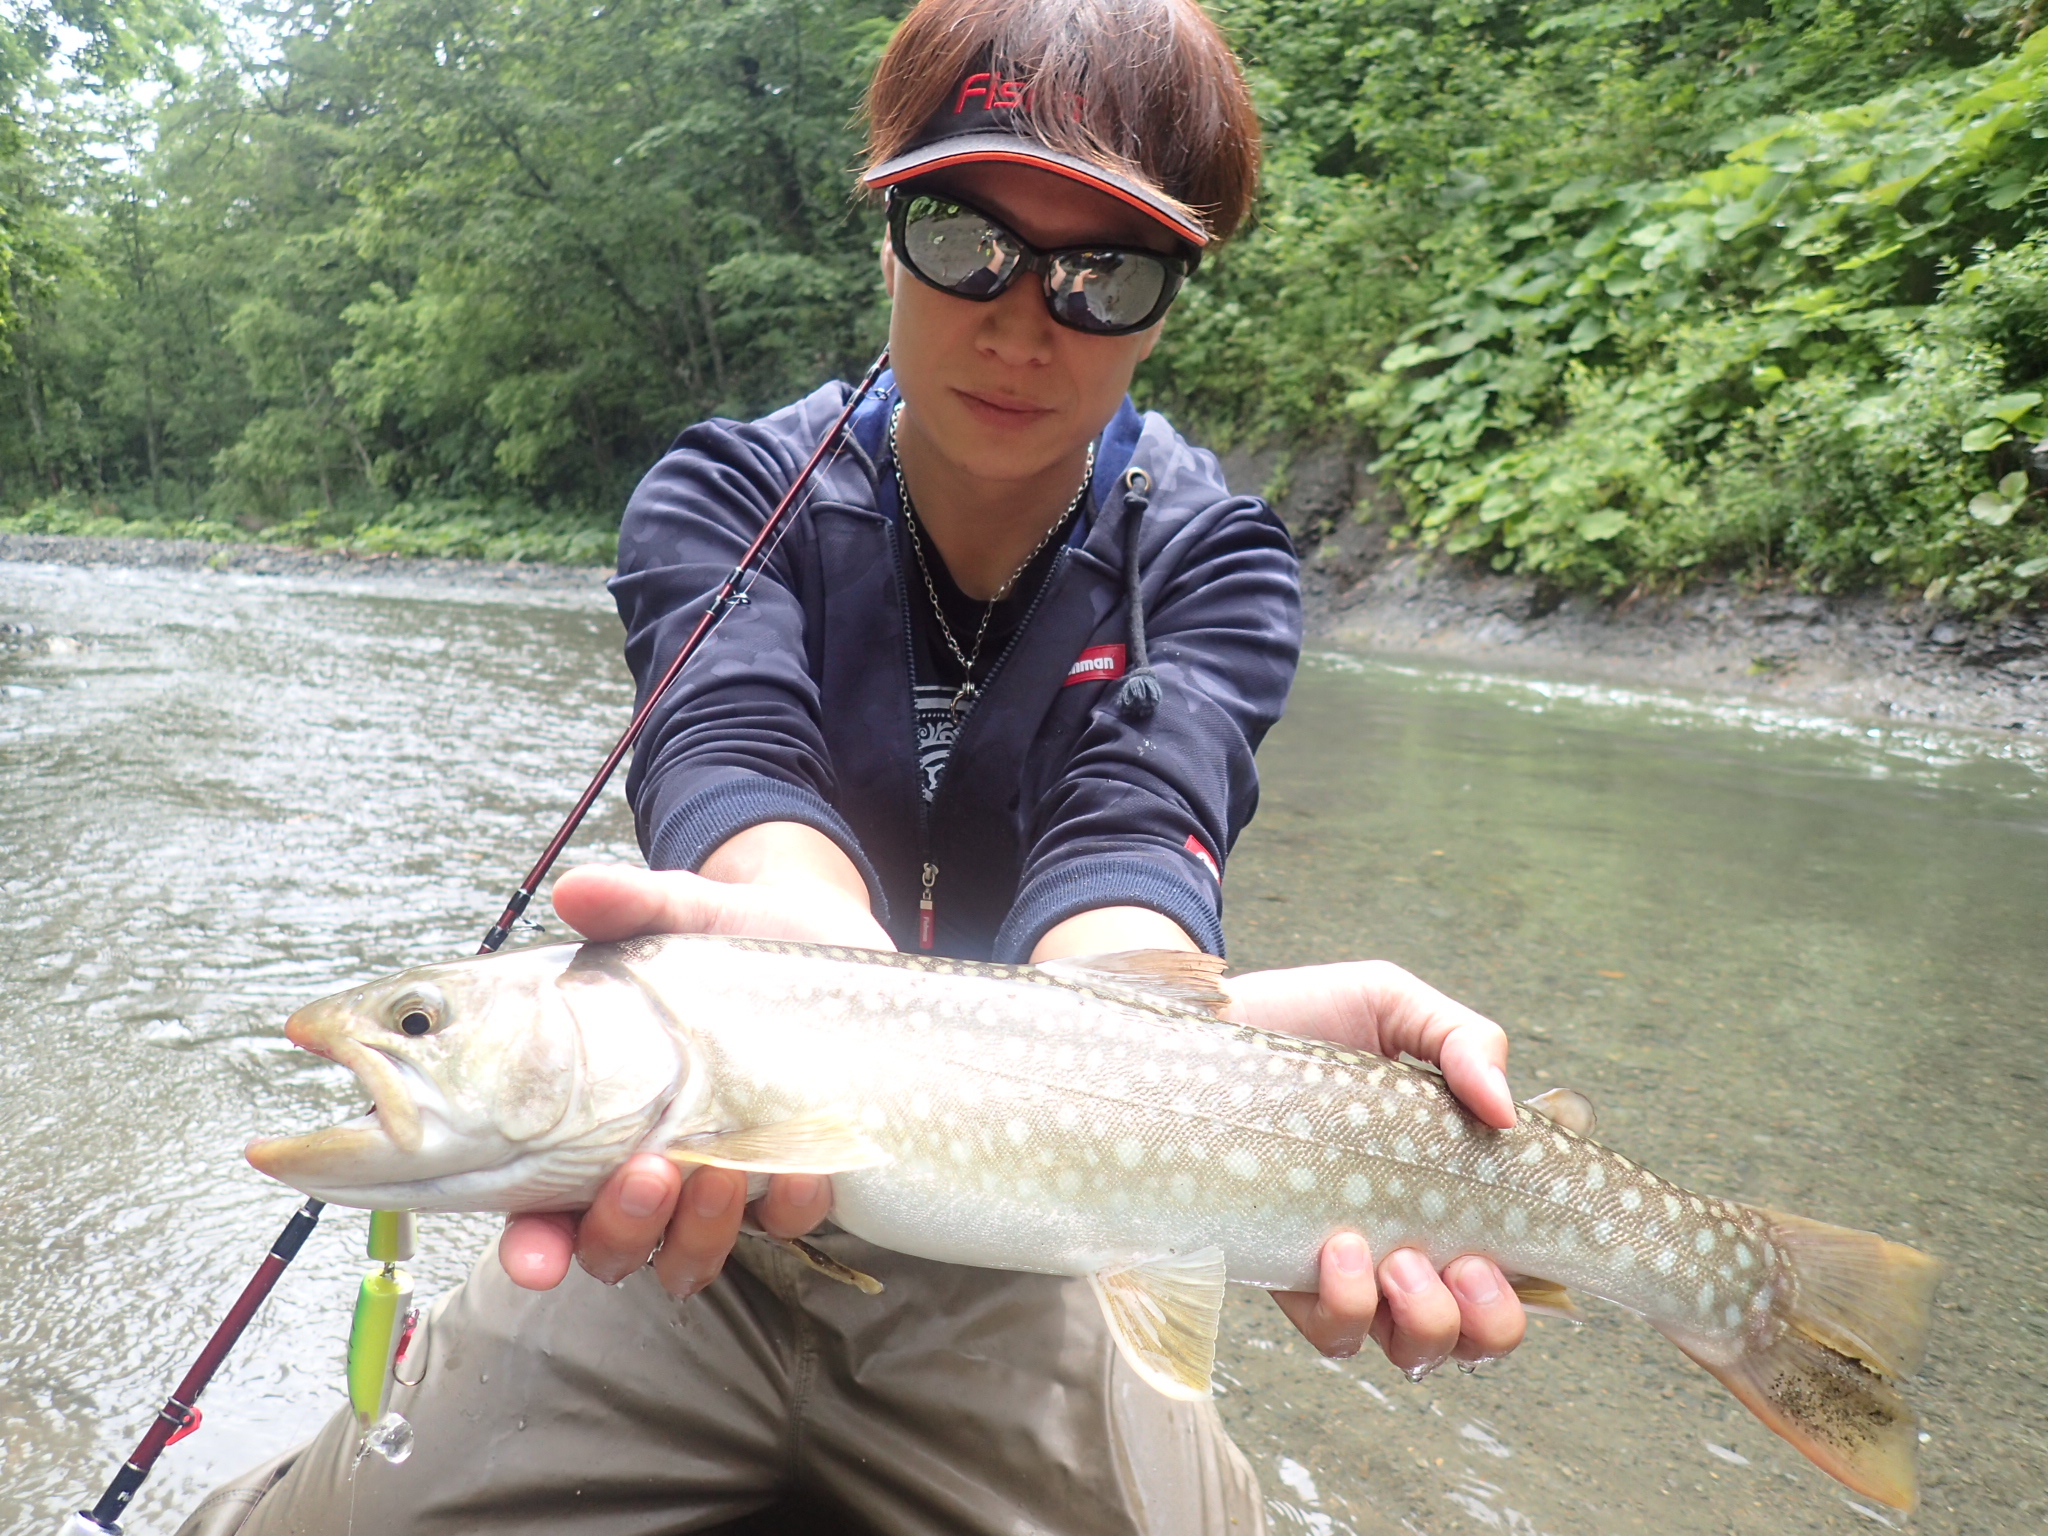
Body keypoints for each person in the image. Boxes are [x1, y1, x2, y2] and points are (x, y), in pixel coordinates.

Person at [176, 2, 1525, 1532]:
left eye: (1104, 274)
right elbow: (737, 772)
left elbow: (1135, 853)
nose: (1022, 322)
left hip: (1043, 1233)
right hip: (691, 1230)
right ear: (888, 234)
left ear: (1167, 304)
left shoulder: (1215, 562)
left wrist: (1228, 1082)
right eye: (966, 241)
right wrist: (809, 978)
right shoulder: (721, 492)